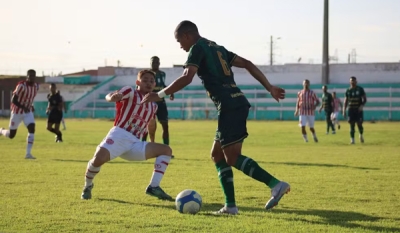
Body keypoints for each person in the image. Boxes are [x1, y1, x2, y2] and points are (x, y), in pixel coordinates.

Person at [141, 20, 290, 215]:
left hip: (229, 106)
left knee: (232, 157)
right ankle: (230, 206)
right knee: (217, 155)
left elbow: (187, 76)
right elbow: (247, 63)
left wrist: (158, 94)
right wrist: (269, 87)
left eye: (179, 41)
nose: (180, 46)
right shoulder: (217, 48)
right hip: (235, 103)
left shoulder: (197, 48)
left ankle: (275, 184)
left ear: (187, 35)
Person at [81, 69, 174, 201]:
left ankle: (154, 187)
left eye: (152, 81)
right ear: (138, 82)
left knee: (166, 150)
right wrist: (112, 98)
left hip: (135, 143)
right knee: (97, 160)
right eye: (145, 80)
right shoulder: (130, 92)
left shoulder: (153, 105)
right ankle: (88, 186)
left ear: (154, 85)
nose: (149, 83)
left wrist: (152, 140)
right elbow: (110, 95)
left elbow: (151, 124)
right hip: (119, 135)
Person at [0, 69, 38, 159]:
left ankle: (28, 154)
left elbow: (29, 98)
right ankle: (1, 130)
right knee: (11, 135)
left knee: (32, 128)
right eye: (30, 76)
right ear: (27, 77)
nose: (32, 78)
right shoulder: (21, 85)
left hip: (27, 112)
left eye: (33, 76)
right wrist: (23, 107)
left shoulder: (36, 86)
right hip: (16, 112)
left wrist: (30, 106)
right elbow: (13, 99)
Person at [142, 56, 175, 158]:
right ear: (150, 63)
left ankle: (166, 150)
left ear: (159, 63)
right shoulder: (147, 75)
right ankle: (142, 148)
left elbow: (162, 86)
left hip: (161, 102)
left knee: (165, 125)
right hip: (150, 102)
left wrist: (170, 92)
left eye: (157, 62)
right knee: (148, 126)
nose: (155, 63)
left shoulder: (162, 74)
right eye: (153, 62)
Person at [343, 76, 367, 144]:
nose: (352, 82)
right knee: (351, 124)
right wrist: (344, 111)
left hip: (358, 109)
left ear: (356, 82)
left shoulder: (360, 89)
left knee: (359, 123)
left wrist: (361, 106)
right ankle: (352, 140)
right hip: (351, 109)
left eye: (354, 81)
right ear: (349, 82)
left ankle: (361, 134)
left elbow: (364, 99)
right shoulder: (348, 90)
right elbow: (345, 101)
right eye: (351, 81)